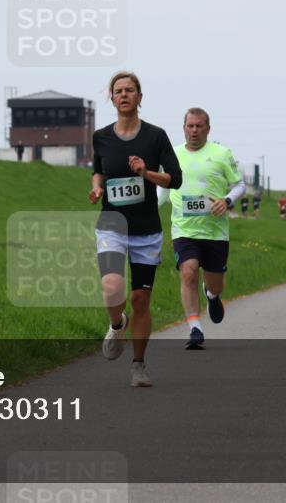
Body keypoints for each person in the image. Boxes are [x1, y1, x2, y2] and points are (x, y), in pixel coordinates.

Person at [90, 72, 181, 387]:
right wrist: (97, 188)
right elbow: (98, 171)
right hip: (111, 225)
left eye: (130, 90)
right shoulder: (101, 137)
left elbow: (175, 179)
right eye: (118, 91)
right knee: (111, 286)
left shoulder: (156, 136)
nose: (124, 95)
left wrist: (146, 172)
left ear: (140, 97)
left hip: (146, 230)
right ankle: (117, 325)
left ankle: (138, 366)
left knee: (141, 299)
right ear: (112, 98)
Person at [158, 108, 245, 350]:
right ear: (184, 128)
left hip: (215, 231)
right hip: (184, 230)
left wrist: (227, 200)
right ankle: (195, 328)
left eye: (199, 126)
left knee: (216, 283)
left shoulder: (221, 153)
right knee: (188, 272)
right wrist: (148, 211)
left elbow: (240, 185)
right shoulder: (173, 155)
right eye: (190, 126)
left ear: (208, 129)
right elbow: (163, 189)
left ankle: (212, 294)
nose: (194, 130)